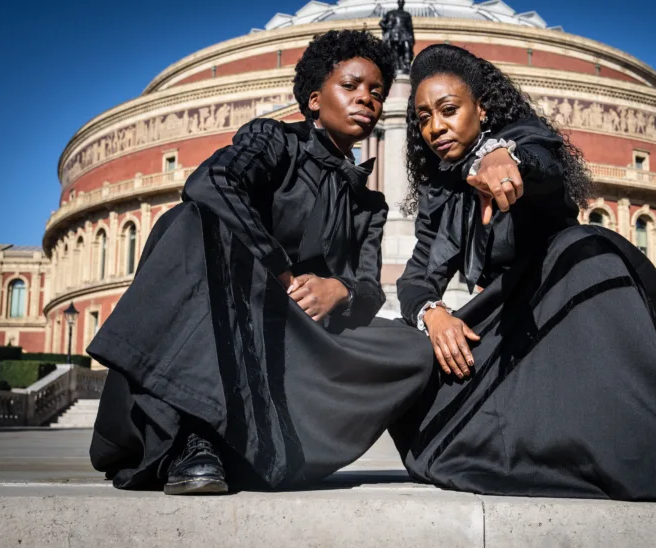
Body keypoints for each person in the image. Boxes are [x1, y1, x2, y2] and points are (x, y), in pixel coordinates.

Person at [389, 44, 656, 501]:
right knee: (409, 358)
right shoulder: (441, 191)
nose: (435, 127)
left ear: (481, 108)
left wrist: (507, 158)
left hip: (571, 307)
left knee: (587, 246)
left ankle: (641, 446)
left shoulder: (524, 140)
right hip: (510, 321)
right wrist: (434, 314)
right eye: (422, 118)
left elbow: (545, 167)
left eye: (448, 110)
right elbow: (418, 275)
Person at [88, 30, 434, 495]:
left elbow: (369, 290)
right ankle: (196, 437)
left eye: (375, 92)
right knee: (191, 222)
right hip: (227, 306)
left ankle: (273, 448)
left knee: (412, 347)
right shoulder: (273, 140)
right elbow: (214, 182)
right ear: (314, 99)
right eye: (351, 86)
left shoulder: (368, 205)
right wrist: (281, 270)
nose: (366, 100)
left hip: (297, 333)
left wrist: (341, 291)